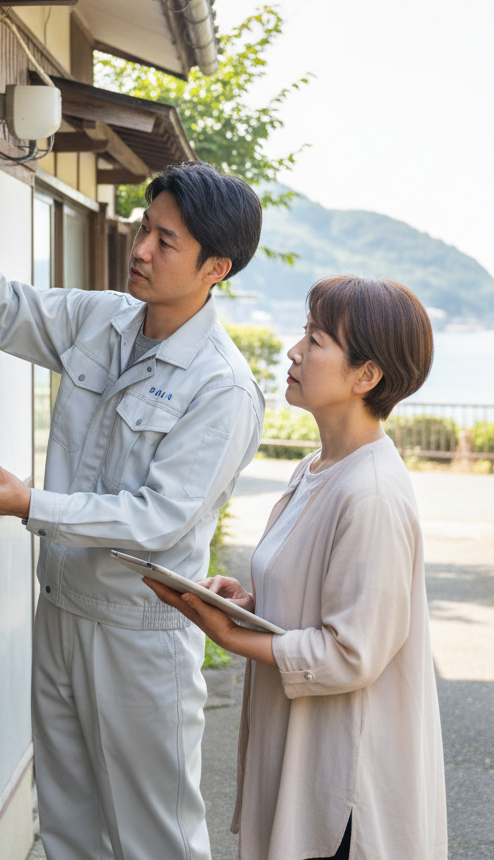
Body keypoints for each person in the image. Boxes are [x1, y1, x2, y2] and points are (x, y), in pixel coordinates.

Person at [0, 160, 265, 860]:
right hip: (62, 610)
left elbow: (157, 517)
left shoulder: (221, 387)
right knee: (67, 827)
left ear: (216, 268)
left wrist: (28, 502)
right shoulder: (103, 319)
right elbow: (7, 310)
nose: (141, 249)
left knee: (154, 839)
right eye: (143, 228)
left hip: (140, 633)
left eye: (165, 241)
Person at [145, 275, 448, 860]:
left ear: (366, 375)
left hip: (343, 783)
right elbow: (317, 599)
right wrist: (249, 606)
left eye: (316, 340)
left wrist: (230, 635)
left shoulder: (372, 493)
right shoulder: (316, 468)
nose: (294, 351)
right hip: (300, 751)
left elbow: (351, 652)